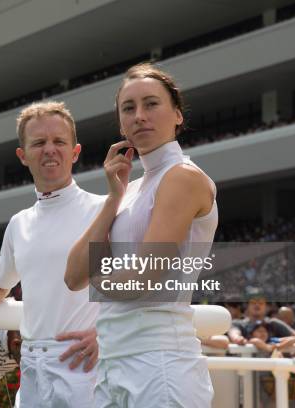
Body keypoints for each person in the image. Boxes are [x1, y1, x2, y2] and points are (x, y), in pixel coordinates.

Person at [65, 62, 217, 407]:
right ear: (120, 123)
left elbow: (142, 279)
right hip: (113, 362)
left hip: (160, 362)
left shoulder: (182, 177)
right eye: (128, 108)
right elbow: (72, 275)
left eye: (151, 104)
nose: (139, 116)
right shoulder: (128, 189)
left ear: (177, 115)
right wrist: (112, 200)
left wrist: (96, 273)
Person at [0, 101, 105, 407]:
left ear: (75, 151)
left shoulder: (104, 209)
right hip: (31, 367)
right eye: (39, 143)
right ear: (23, 156)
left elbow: (150, 275)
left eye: (59, 142)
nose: (49, 149)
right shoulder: (19, 223)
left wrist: (106, 333)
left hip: (85, 368)